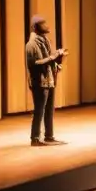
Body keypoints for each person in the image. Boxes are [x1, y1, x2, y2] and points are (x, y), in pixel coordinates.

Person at [26, 15, 68, 146]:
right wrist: (53, 56)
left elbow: (49, 60)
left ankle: (49, 136)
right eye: (42, 23)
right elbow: (34, 64)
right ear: (35, 27)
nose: (46, 26)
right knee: (39, 110)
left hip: (49, 80)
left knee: (49, 110)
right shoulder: (31, 44)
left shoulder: (45, 40)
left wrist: (59, 59)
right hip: (39, 82)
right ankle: (35, 138)